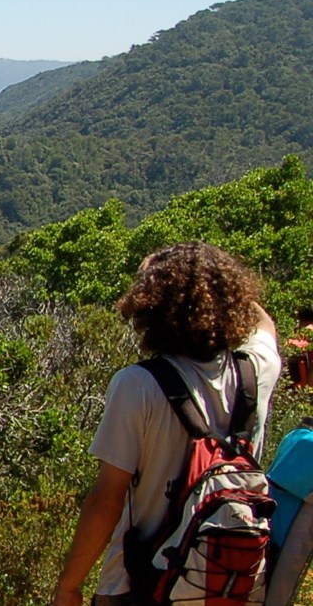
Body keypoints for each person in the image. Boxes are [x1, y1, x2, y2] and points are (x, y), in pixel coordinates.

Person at [53, 242, 282, 606]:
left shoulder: (137, 385)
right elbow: (264, 324)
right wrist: (213, 277)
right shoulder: (256, 371)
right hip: (228, 583)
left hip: (140, 584)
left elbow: (106, 501)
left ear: (150, 307)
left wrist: (69, 585)